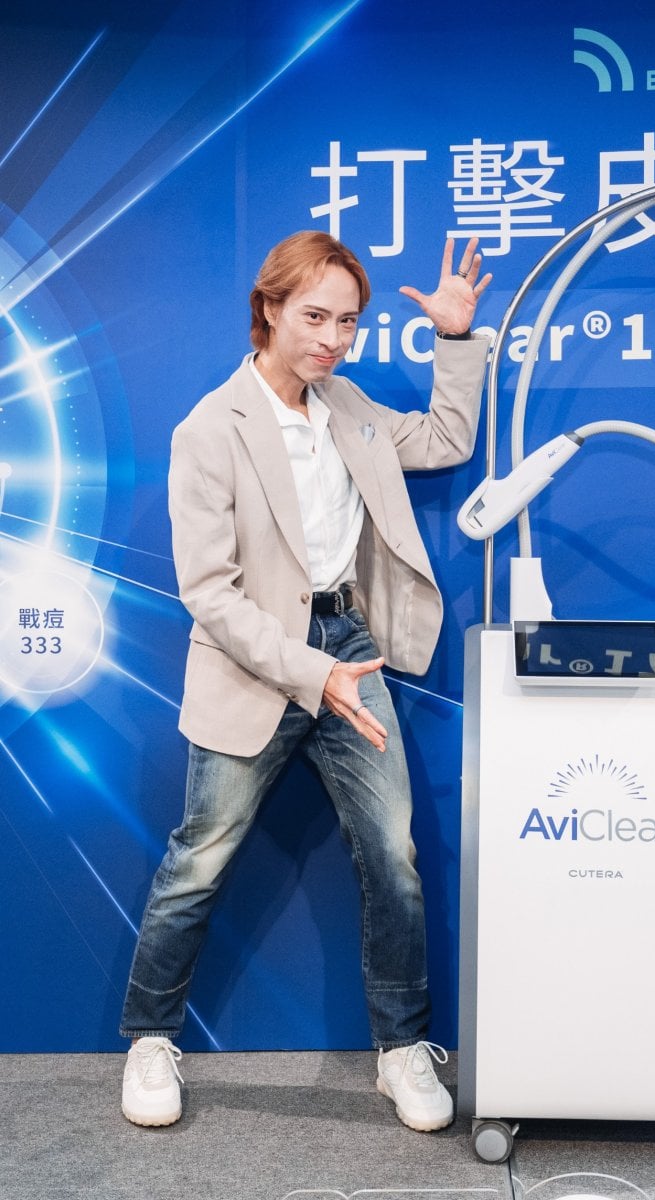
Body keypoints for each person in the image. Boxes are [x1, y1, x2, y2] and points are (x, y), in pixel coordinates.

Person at [119, 231, 491, 1132]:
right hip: (256, 661)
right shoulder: (211, 429)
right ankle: (150, 1040)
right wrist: (312, 674)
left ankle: (401, 1049)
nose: (332, 339)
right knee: (199, 858)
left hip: (350, 645)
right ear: (270, 309)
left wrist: (453, 340)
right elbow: (210, 594)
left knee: (394, 856)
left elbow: (446, 438)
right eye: (315, 317)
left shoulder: (347, 406)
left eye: (348, 322)